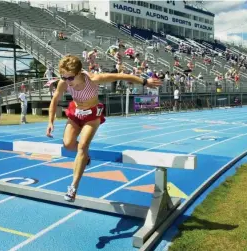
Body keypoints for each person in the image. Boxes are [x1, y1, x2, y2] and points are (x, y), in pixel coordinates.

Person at [46, 55, 161, 202]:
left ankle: (73, 187)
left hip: (92, 115)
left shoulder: (94, 79)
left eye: (70, 78)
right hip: (75, 113)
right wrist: (50, 122)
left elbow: (122, 75)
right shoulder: (64, 82)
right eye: (64, 77)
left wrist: (145, 81)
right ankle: (85, 157)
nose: (67, 81)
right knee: (68, 145)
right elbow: (55, 99)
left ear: (79, 72)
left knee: (82, 146)